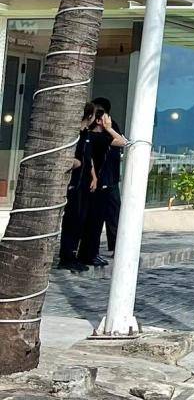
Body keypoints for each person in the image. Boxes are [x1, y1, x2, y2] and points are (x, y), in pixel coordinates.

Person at [75, 99, 126, 268]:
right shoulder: (92, 135)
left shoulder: (102, 135)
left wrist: (109, 128)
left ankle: (92, 252)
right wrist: (94, 177)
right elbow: (88, 159)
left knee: (102, 218)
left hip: (106, 179)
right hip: (96, 182)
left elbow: (121, 142)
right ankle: (87, 254)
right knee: (92, 221)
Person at [57, 103, 97, 271]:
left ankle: (73, 255)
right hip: (74, 183)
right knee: (72, 220)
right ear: (89, 116)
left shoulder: (87, 134)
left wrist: (94, 176)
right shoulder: (74, 135)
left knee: (80, 220)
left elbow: (89, 158)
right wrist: (75, 163)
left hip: (85, 182)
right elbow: (64, 155)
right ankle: (66, 257)